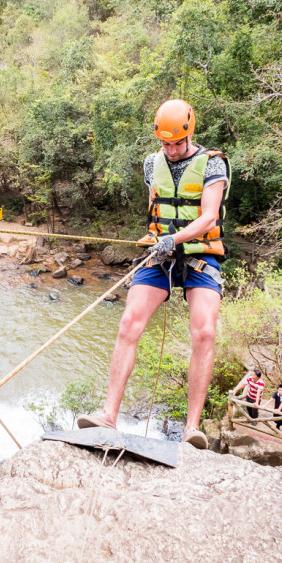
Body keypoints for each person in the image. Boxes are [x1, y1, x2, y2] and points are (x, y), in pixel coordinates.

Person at [76, 99, 230, 450]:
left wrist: (174, 239)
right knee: (129, 323)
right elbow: (155, 203)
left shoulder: (213, 164)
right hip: (159, 255)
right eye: (166, 144)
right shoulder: (151, 163)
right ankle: (108, 415)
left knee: (205, 333)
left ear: (189, 134)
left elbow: (208, 216)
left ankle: (192, 427)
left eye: (178, 143)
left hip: (200, 255)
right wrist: (156, 237)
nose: (172, 150)